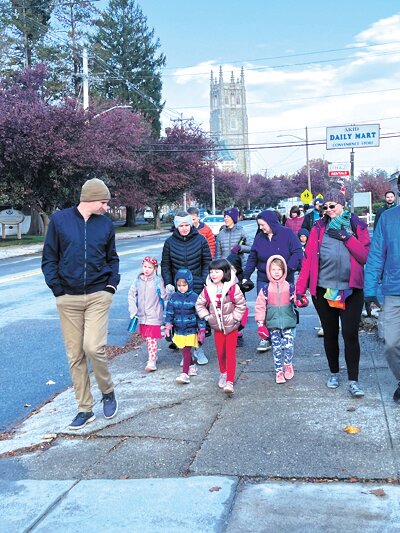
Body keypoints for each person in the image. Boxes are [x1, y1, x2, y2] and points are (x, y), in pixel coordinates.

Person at [41, 178, 119, 430]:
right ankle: (85, 409)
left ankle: (107, 391)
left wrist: (111, 286)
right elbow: (49, 258)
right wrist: (58, 290)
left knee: (94, 348)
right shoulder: (60, 221)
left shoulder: (106, 224)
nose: (106, 207)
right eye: (104, 202)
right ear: (91, 199)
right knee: (75, 355)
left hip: (98, 294)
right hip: (68, 298)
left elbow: (113, 258)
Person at [295, 189, 370, 397]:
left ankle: (353, 380)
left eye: (332, 206)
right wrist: (300, 289)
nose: (328, 210)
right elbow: (308, 260)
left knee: (350, 334)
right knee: (330, 333)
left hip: (351, 291)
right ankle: (334, 372)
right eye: (325, 206)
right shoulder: (318, 228)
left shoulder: (357, 225)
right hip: (324, 290)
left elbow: (364, 256)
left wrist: (347, 237)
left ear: (342, 205)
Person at [243, 210, 303, 353]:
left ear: (270, 223)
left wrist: (288, 269)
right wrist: (246, 275)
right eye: (260, 225)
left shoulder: (287, 234)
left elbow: (297, 252)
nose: (261, 228)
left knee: (284, 306)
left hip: (285, 277)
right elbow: (253, 256)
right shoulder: (259, 237)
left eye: (263, 225)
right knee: (264, 307)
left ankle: (286, 334)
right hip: (264, 277)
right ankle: (266, 337)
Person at [161, 211, 211, 364]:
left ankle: (199, 348)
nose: (184, 228)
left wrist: (204, 280)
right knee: (181, 320)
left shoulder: (201, 240)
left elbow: (207, 261)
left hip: (197, 285)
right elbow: (166, 264)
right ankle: (186, 353)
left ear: (191, 224)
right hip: (179, 287)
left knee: (198, 319)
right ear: (176, 226)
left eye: (186, 225)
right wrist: (169, 282)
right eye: (180, 225)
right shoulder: (169, 242)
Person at [364, 192, 400, 403]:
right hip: (394, 290)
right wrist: (370, 290)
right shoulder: (388, 218)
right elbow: (377, 254)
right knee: (391, 343)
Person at [196, 259, 247, 395]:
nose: (213, 274)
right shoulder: (208, 289)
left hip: (231, 327)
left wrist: (234, 318)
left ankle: (230, 381)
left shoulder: (233, 288)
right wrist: (208, 317)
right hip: (217, 328)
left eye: (217, 271)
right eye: (211, 272)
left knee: (230, 353)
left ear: (225, 272)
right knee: (220, 352)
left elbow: (241, 305)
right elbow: (199, 304)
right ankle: (223, 373)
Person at [255, 255, 297, 383]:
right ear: (268, 271)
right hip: (272, 324)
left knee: (289, 345)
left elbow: (297, 299)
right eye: (273, 269)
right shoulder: (266, 289)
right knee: (277, 348)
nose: (276, 272)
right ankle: (278, 371)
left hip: (288, 322)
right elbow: (260, 306)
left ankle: (288, 364)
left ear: (284, 270)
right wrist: (260, 324)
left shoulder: (289, 287)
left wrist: (301, 300)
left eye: (279, 269)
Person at [164, 269, 206, 384]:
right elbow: (169, 313)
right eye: (179, 285)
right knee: (184, 349)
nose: (181, 287)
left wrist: (202, 329)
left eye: (184, 285)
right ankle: (192, 366)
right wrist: (168, 325)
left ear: (189, 283)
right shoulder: (173, 297)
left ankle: (184, 374)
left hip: (191, 329)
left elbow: (200, 315)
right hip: (178, 329)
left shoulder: (194, 297)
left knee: (186, 350)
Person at [128, 257, 168, 372]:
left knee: (151, 338)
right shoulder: (138, 280)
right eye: (145, 266)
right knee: (148, 337)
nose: (147, 269)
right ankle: (153, 354)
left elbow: (164, 296)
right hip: (141, 314)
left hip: (154, 313)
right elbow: (131, 295)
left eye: (150, 267)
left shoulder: (157, 281)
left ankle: (152, 360)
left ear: (155, 268)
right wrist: (133, 309)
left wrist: (169, 291)